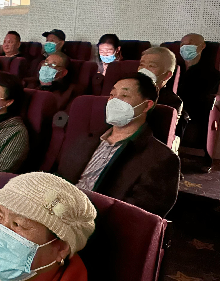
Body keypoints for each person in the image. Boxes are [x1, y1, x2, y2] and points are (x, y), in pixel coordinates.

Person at [56, 73, 179, 217]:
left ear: (146, 105)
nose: (114, 101)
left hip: (97, 221)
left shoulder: (161, 158)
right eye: (112, 95)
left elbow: (139, 217)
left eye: (124, 95)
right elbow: (60, 177)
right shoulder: (87, 140)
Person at [176, 33, 220, 172]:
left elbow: (204, 98)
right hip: (175, 105)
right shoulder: (176, 69)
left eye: (189, 43)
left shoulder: (211, 73)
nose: (185, 47)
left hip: (196, 109)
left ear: (202, 46)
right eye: (182, 44)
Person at [138, 46, 184, 130]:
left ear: (167, 75)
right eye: (141, 65)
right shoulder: (126, 91)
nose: (144, 70)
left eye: (151, 66)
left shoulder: (172, 102)